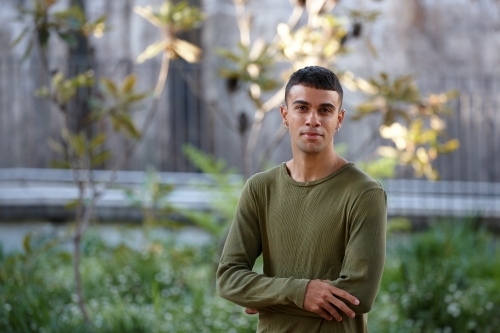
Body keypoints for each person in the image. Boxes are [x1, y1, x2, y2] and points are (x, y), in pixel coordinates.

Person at [216, 66, 387, 333]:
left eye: (325, 110)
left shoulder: (364, 193)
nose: (313, 120)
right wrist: (300, 292)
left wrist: (266, 297)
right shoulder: (260, 189)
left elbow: (359, 294)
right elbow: (228, 278)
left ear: (339, 119)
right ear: (285, 115)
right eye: (302, 108)